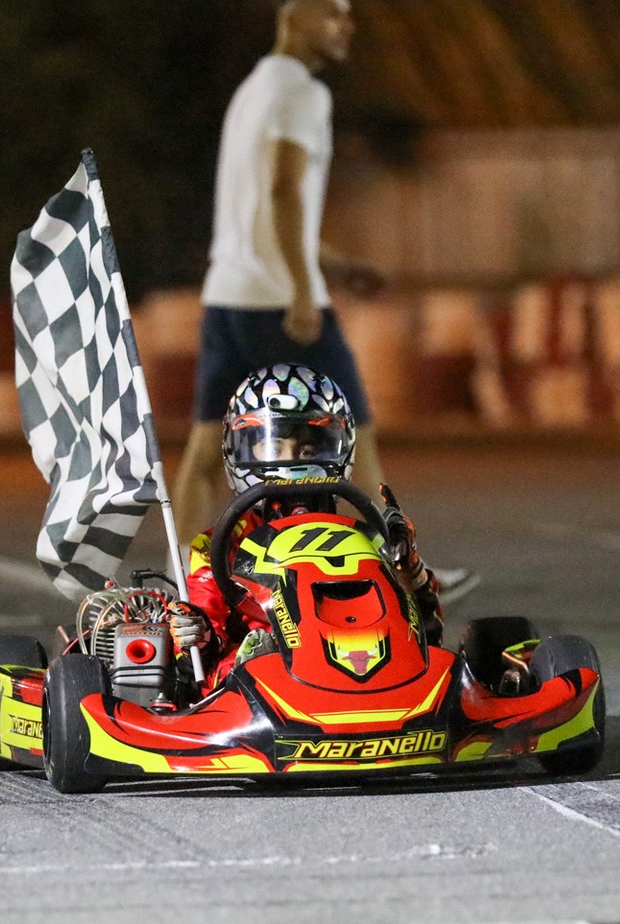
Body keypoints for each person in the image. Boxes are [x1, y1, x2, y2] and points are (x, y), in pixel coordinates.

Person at [174, 0, 387, 539]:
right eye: (332, 13)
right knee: (353, 436)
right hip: (279, 303)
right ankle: (397, 568)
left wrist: (337, 265)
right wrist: (301, 289)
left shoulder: (251, 91)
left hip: (227, 298)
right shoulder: (304, 93)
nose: (346, 26)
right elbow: (284, 189)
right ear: (294, 15)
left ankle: (185, 578)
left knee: (205, 453)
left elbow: (262, 213)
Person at [167, 364, 444, 683]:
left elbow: (429, 635)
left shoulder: (366, 539)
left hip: (358, 663)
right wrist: (196, 633)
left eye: (308, 449)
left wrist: (410, 569)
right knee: (245, 658)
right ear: (237, 450)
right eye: (274, 448)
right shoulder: (220, 547)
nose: (291, 462)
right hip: (259, 685)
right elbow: (198, 657)